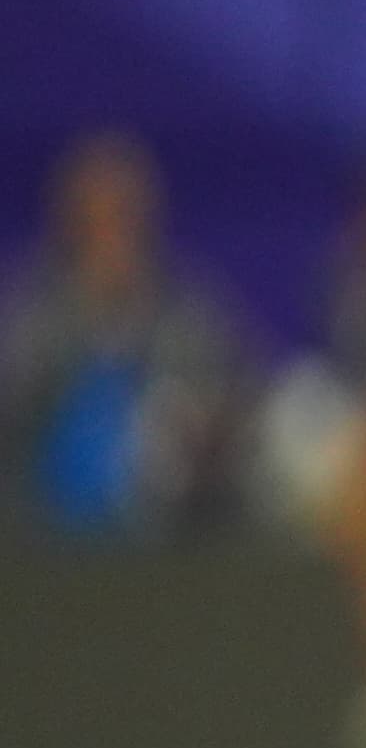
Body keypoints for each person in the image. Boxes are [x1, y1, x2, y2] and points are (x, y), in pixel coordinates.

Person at [2, 132, 250, 536]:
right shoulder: (32, 309)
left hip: (165, 522)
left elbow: (232, 381)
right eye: (96, 218)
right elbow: (16, 400)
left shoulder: (183, 304)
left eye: (122, 215)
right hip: (42, 519)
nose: (111, 233)